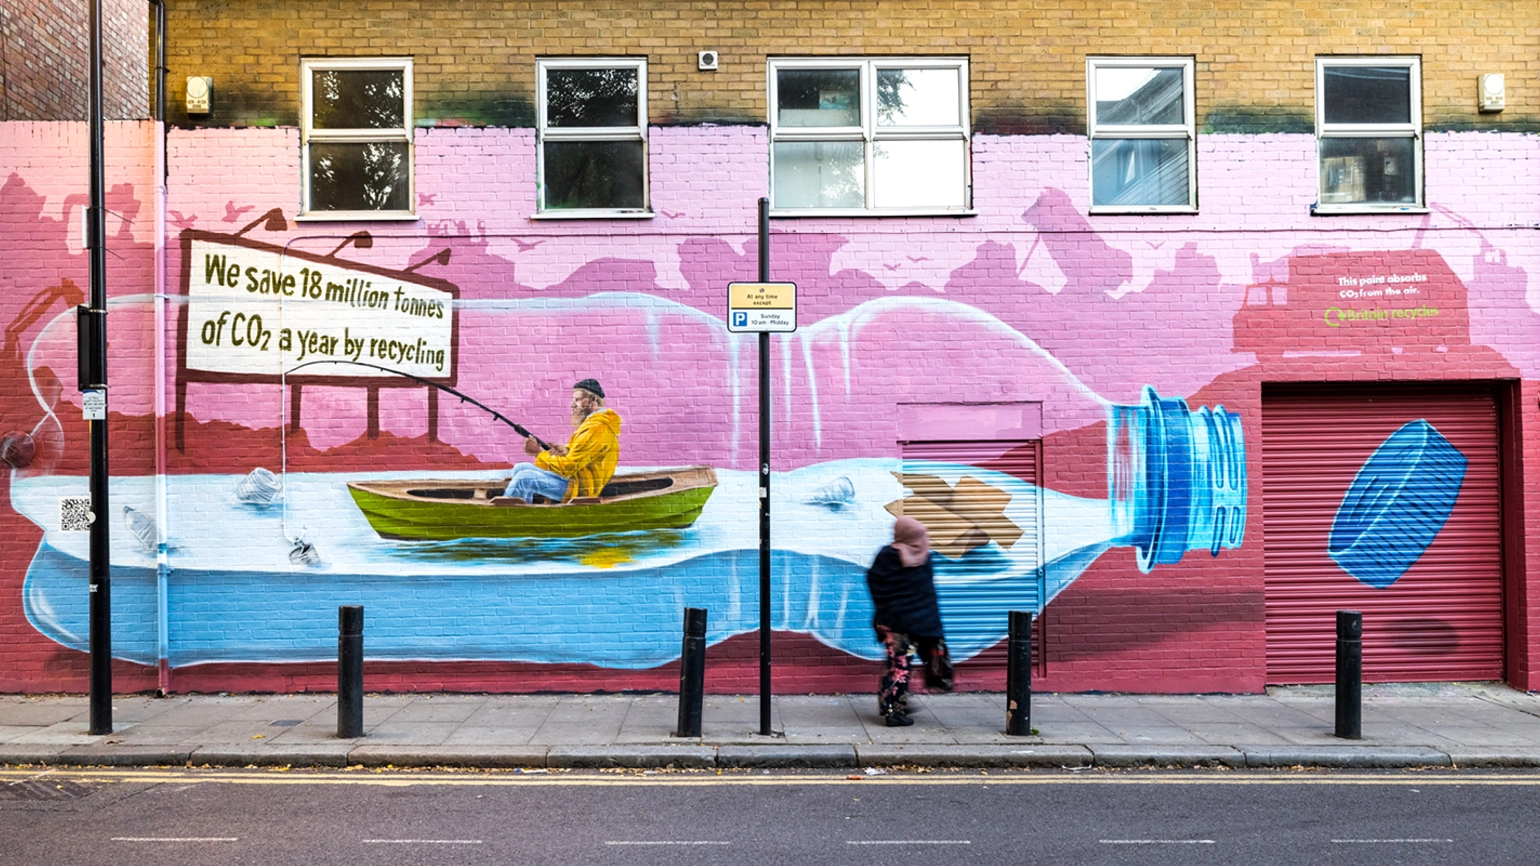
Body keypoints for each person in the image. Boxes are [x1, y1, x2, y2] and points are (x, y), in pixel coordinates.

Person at [865, 516, 953, 727]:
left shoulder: (886, 555)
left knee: (897, 665)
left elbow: (875, 583)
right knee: (900, 667)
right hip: (915, 624)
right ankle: (894, 712)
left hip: (891, 622)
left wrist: (887, 608)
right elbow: (926, 594)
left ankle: (893, 702)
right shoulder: (924, 557)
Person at [504, 378, 621, 503]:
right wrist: (566, 450)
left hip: (579, 488)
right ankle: (524, 510)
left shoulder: (597, 428)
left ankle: (507, 513)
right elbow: (583, 455)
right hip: (574, 478)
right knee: (520, 468)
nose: (573, 404)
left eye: (577, 399)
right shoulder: (593, 423)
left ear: (592, 399)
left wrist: (538, 453)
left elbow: (569, 467)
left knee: (524, 478)